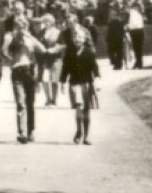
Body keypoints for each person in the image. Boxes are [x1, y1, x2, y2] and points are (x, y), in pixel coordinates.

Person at [2, 7, 45, 143]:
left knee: (30, 103)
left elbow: (43, 49)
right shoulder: (10, 36)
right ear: (15, 26)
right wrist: (10, 56)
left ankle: (30, 131)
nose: (21, 28)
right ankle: (21, 132)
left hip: (29, 71)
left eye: (23, 26)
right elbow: (4, 52)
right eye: (18, 26)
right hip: (17, 71)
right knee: (21, 103)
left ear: (26, 26)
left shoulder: (29, 38)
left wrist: (30, 36)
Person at [59, 8, 102, 145]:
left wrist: (97, 80)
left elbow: (94, 66)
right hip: (75, 81)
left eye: (80, 38)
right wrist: (62, 83)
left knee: (87, 109)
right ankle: (79, 131)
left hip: (87, 82)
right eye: (75, 38)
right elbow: (65, 68)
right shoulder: (69, 48)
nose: (77, 39)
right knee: (78, 107)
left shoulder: (89, 50)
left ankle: (86, 136)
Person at [36, 12, 63, 106]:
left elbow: (61, 44)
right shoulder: (40, 33)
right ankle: (48, 98)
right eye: (44, 21)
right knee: (44, 79)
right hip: (44, 59)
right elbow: (37, 44)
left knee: (54, 80)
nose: (45, 23)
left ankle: (54, 100)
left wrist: (54, 49)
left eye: (47, 21)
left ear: (52, 22)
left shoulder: (58, 32)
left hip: (55, 58)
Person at [126, 0, 146, 68]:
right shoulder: (137, 13)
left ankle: (138, 62)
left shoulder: (134, 13)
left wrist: (128, 27)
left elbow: (132, 23)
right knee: (138, 48)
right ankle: (139, 62)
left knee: (136, 48)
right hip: (139, 31)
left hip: (135, 32)